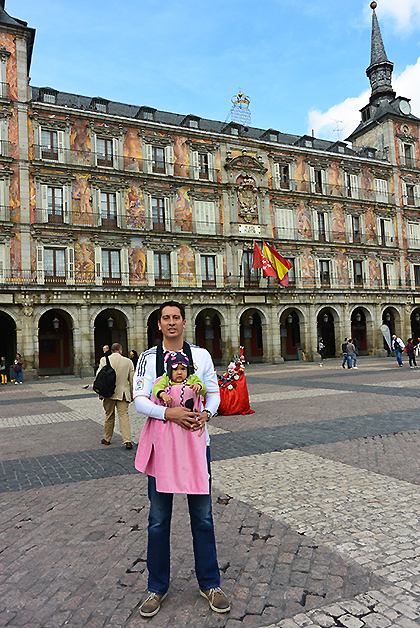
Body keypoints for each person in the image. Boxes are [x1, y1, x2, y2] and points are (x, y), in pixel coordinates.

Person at [133, 301, 230, 618]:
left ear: (184, 323)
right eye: (166, 318)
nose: (171, 322)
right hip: (162, 448)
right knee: (158, 521)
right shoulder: (147, 359)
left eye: (176, 317)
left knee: (202, 517)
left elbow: (214, 394)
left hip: (195, 447)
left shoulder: (201, 356)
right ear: (158, 324)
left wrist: (206, 412)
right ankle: (156, 588)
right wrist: (168, 413)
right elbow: (139, 400)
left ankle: (210, 583)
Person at [97, 342, 134, 449]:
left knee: (109, 416)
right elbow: (132, 380)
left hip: (109, 393)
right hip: (122, 393)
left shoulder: (104, 360)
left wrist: (100, 394)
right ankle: (127, 441)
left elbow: (99, 377)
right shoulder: (128, 362)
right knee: (124, 416)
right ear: (120, 350)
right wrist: (132, 394)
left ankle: (107, 439)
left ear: (111, 350)